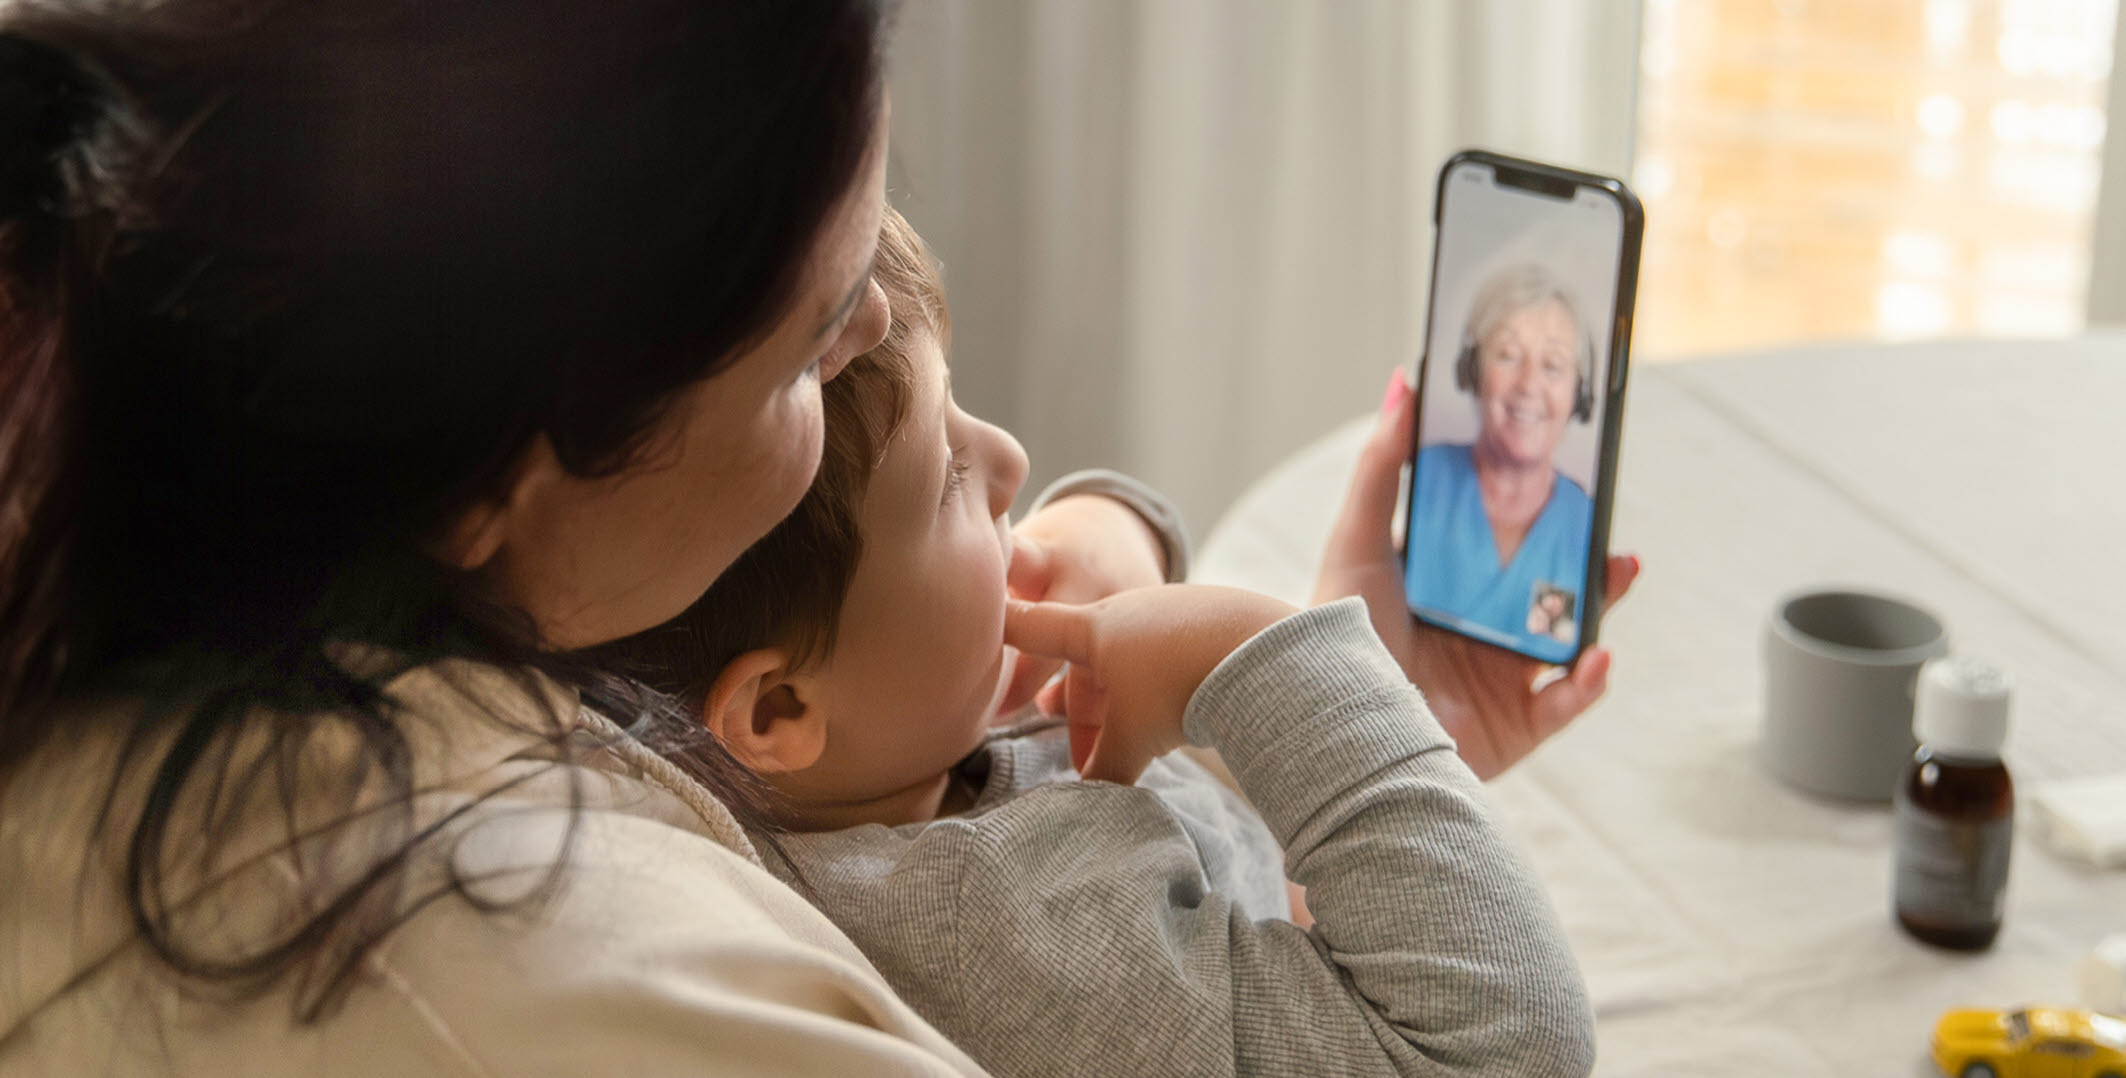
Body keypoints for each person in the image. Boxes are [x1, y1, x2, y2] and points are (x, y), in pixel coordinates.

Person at [0, 2, 1634, 1074]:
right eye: (812, 352)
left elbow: (1171, 929)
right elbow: (1497, 1046)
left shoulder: (456, 605)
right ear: (503, 468)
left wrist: (1312, 710)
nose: (1011, 455)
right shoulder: (738, 978)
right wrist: (1271, 665)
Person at [599, 207, 1596, 1078]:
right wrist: (1257, 650)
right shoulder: (1005, 937)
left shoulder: (878, 741)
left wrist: (1106, 529)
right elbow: (1510, 1045)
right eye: (948, 472)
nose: (1013, 458)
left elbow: (1228, 974)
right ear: (778, 708)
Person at [1404, 263, 1604, 664]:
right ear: (1472, 369)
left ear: (1578, 396)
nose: (1528, 384)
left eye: (1552, 365)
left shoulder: (1583, 525)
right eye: (1508, 355)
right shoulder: (1427, 478)